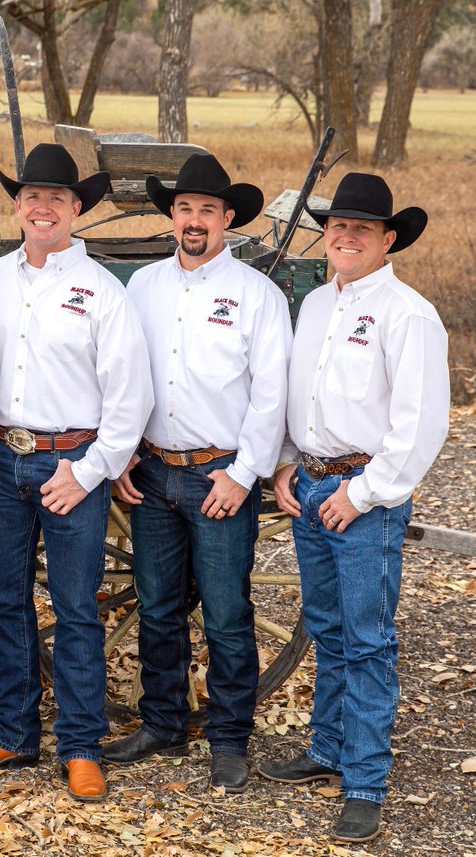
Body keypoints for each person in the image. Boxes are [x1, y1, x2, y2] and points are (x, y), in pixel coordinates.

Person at [0, 145, 152, 801]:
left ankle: (82, 743)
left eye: (56, 198)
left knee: (75, 607)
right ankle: (10, 731)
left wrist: (90, 471)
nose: (42, 207)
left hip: (71, 463)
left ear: (75, 208)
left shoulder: (102, 293)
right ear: (17, 205)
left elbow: (130, 397)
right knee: (4, 600)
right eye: (31, 196)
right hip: (0, 461)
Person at [258, 173, 447, 843]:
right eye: (337, 224)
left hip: (366, 495)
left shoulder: (408, 314)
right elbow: (294, 396)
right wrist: (285, 461)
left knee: (368, 639)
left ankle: (364, 780)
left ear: (388, 238)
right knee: (327, 627)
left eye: (361, 227)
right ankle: (327, 749)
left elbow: (421, 425)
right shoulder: (314, 305)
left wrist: (360, 494)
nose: (345, 234)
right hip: (311, 487)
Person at [108, 154, 291, 792]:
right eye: (184, 209)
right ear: (172, 216)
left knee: (226, 614)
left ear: (228, 219)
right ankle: (162, 722)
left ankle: (229, 737)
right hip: (155, 473)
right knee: (158, 608)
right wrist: (125, 450)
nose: (194, 221)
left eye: (207, 211)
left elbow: (271, 395)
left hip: (219, 475)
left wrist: (244, 475)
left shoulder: (256, 296)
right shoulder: (143, 288)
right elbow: (125, 378)